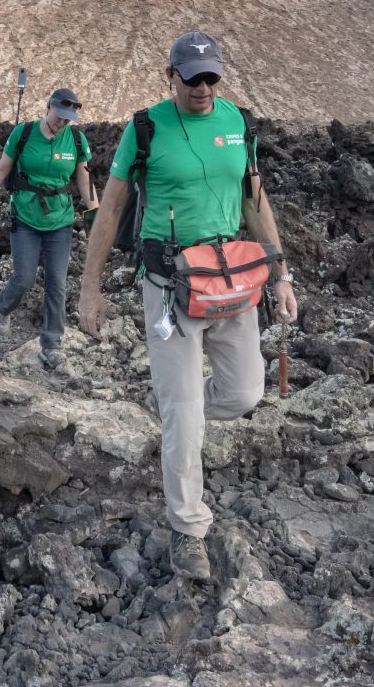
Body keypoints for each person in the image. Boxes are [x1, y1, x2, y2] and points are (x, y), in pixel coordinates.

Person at [77, 32, 298, 583]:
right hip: (169, 283)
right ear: (169, 75)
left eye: (211, 77)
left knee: (246, 393)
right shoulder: (145, 128)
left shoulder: (237, 124)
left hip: (233, 281)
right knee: (182, 408)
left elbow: (254, 199)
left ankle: (180, 423)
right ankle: (188, 528)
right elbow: (112, 208)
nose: (202, 87)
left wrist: (282, 277)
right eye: (191, 76)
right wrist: (90, 287)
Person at [0, 87, 96, 367]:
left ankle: (51, 344)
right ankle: (3, 307)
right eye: (59, 115)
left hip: (60, 221)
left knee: (57, 283)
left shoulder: (76, 140)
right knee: (25, 277)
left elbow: (85, 180)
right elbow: (3, 168)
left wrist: (94, 217)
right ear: (47, 107)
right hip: (25, 217)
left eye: (68, 118)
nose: (62, 122)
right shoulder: (23, 134)